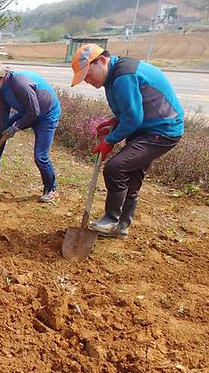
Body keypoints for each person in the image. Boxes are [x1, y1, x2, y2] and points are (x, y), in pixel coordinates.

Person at [70, 43, 184, 237]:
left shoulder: (124, 76)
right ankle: (121, 227)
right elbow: (129, 110)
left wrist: (109, 141)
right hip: (145, 129)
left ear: (103, 61)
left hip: (162, 130)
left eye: (88, 74)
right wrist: (113, 121)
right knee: (131, 177)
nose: (87, 81)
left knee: (116, 167)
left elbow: (132, 118)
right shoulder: (112, 78)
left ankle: (112, 218)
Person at [0, 62, 62, 203]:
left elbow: (35, 112)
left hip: (46, 115)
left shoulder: (20, 84)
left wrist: (16, 127)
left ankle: (51, 188)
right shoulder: (2, 91)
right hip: (28, 113)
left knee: (40, 156)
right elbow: (3, 116)